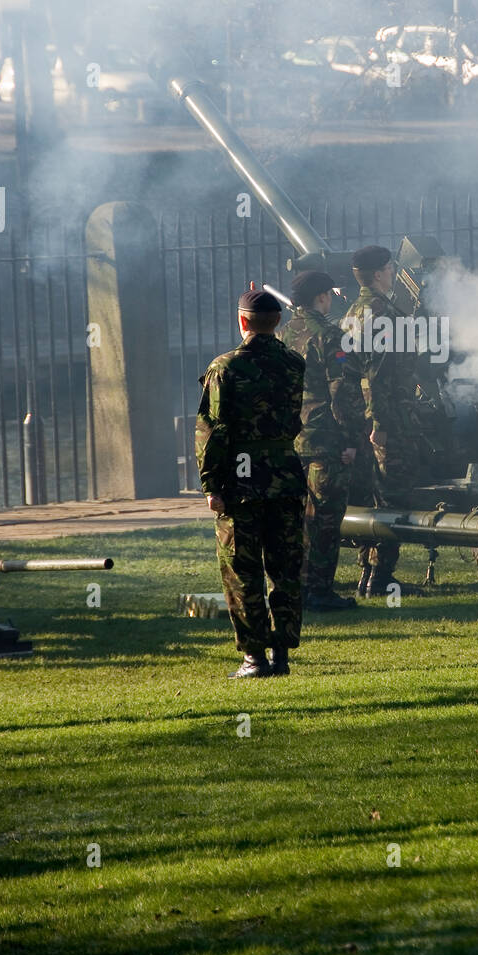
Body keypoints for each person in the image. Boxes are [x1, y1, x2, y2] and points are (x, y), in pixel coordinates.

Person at [195, 287, 306, 679]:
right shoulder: (295, 363)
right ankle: (282, 655)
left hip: (241, 482)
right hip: (285, 475)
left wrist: (211, 485)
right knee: (285, 569)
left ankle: (253, 658)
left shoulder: (224, 368)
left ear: (242, 321)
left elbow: (214, 430)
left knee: (242, 571)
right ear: (277, 323)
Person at [279, 269, 367, 611]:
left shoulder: (285, 334)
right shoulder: (331, 336)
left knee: (298, 518)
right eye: (329, 293)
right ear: (321, 297)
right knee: (326, 519)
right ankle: (319, 591)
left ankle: (296, 587)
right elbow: (342, 392)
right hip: (325, 440)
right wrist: (350, 439)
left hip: (292, 438)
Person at [340, 244, 424, 596]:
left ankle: (366, 573)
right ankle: (381, 577)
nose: (394, 273)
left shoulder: (353, 312)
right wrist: (381, 426)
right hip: (387, 420)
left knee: (368, 495)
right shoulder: (384, 315)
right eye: (390, 269)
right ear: (378, 274)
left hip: (363, 418)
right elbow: (377, 375)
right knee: (391, 498)